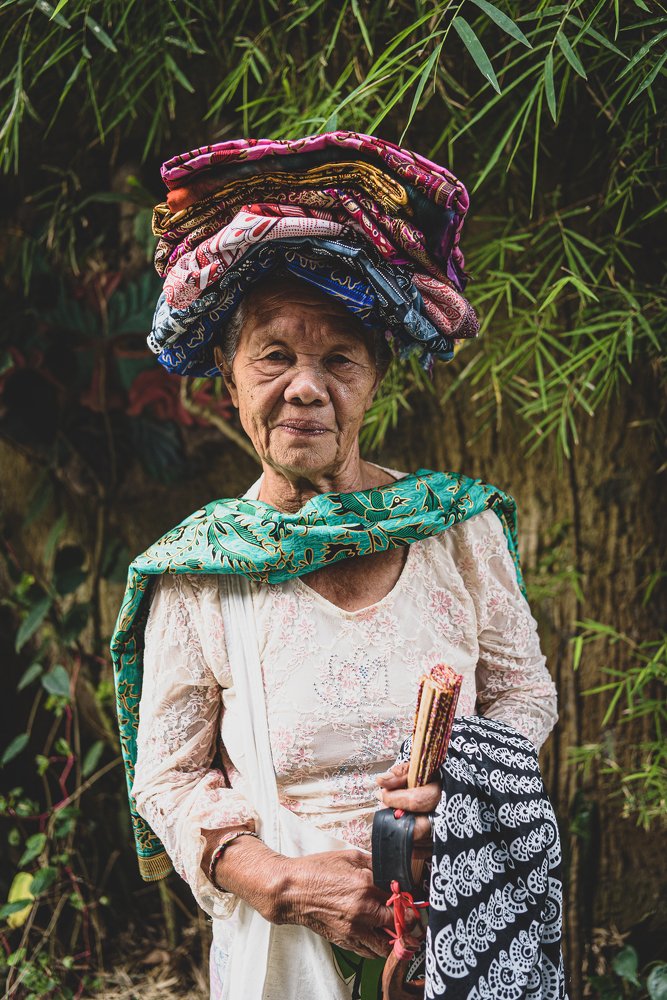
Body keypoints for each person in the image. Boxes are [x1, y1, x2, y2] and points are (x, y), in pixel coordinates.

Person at [111, 132, 563, 1000]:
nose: (306, 386)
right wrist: (279, 884)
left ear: (374, 378)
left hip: (465, 921)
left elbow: (523, 692)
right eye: (274, 354)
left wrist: (467, 800)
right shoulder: (200, 568)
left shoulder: (453, 528)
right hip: (286, 948)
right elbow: (166, 777)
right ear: (229, 376)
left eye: (338, 359)